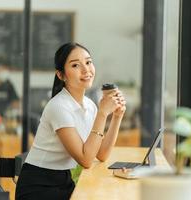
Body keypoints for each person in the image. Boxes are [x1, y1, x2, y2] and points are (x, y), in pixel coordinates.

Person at [15, 42, 126, 200]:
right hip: (39, 187)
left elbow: (101, 154)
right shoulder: (58, 107)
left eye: (88, 62)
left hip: (64, 181)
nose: (86, 69)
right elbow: (86, 160)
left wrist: (116, 116)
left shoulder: (89, 105)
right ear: (61, 75)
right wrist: (103, 113)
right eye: (75, 65)